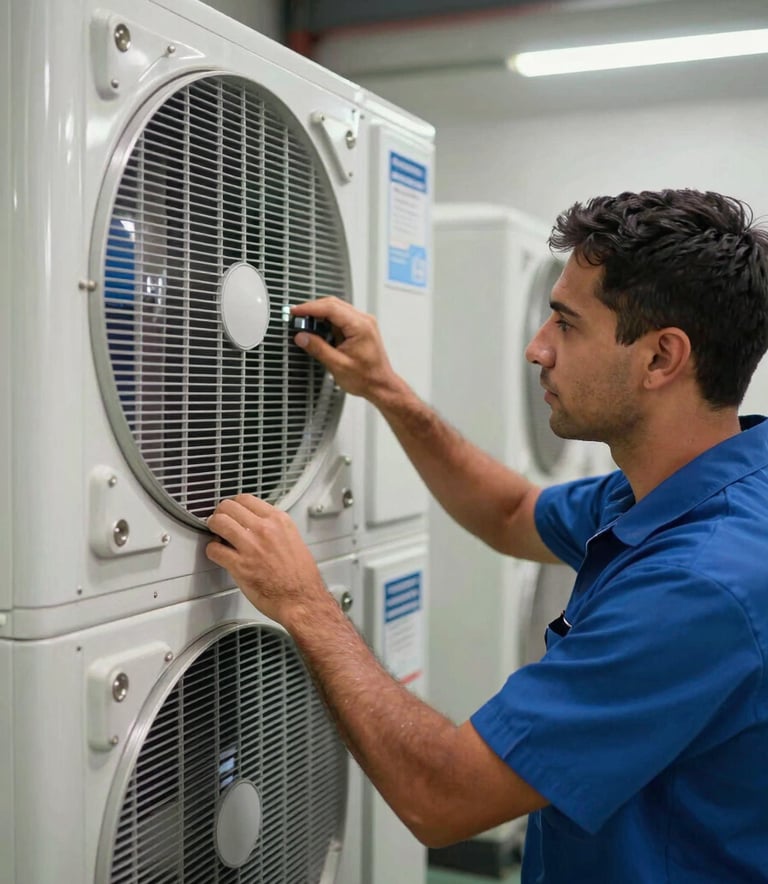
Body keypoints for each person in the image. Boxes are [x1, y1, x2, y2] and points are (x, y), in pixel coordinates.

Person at [206, 189, 768, 883]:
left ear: (661, 359)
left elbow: (443, 798)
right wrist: (388, 390)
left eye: (565, 324)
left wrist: (305, 604)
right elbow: (510, 512)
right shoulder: (691, 482)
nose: (537, 349)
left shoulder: (700, 583)